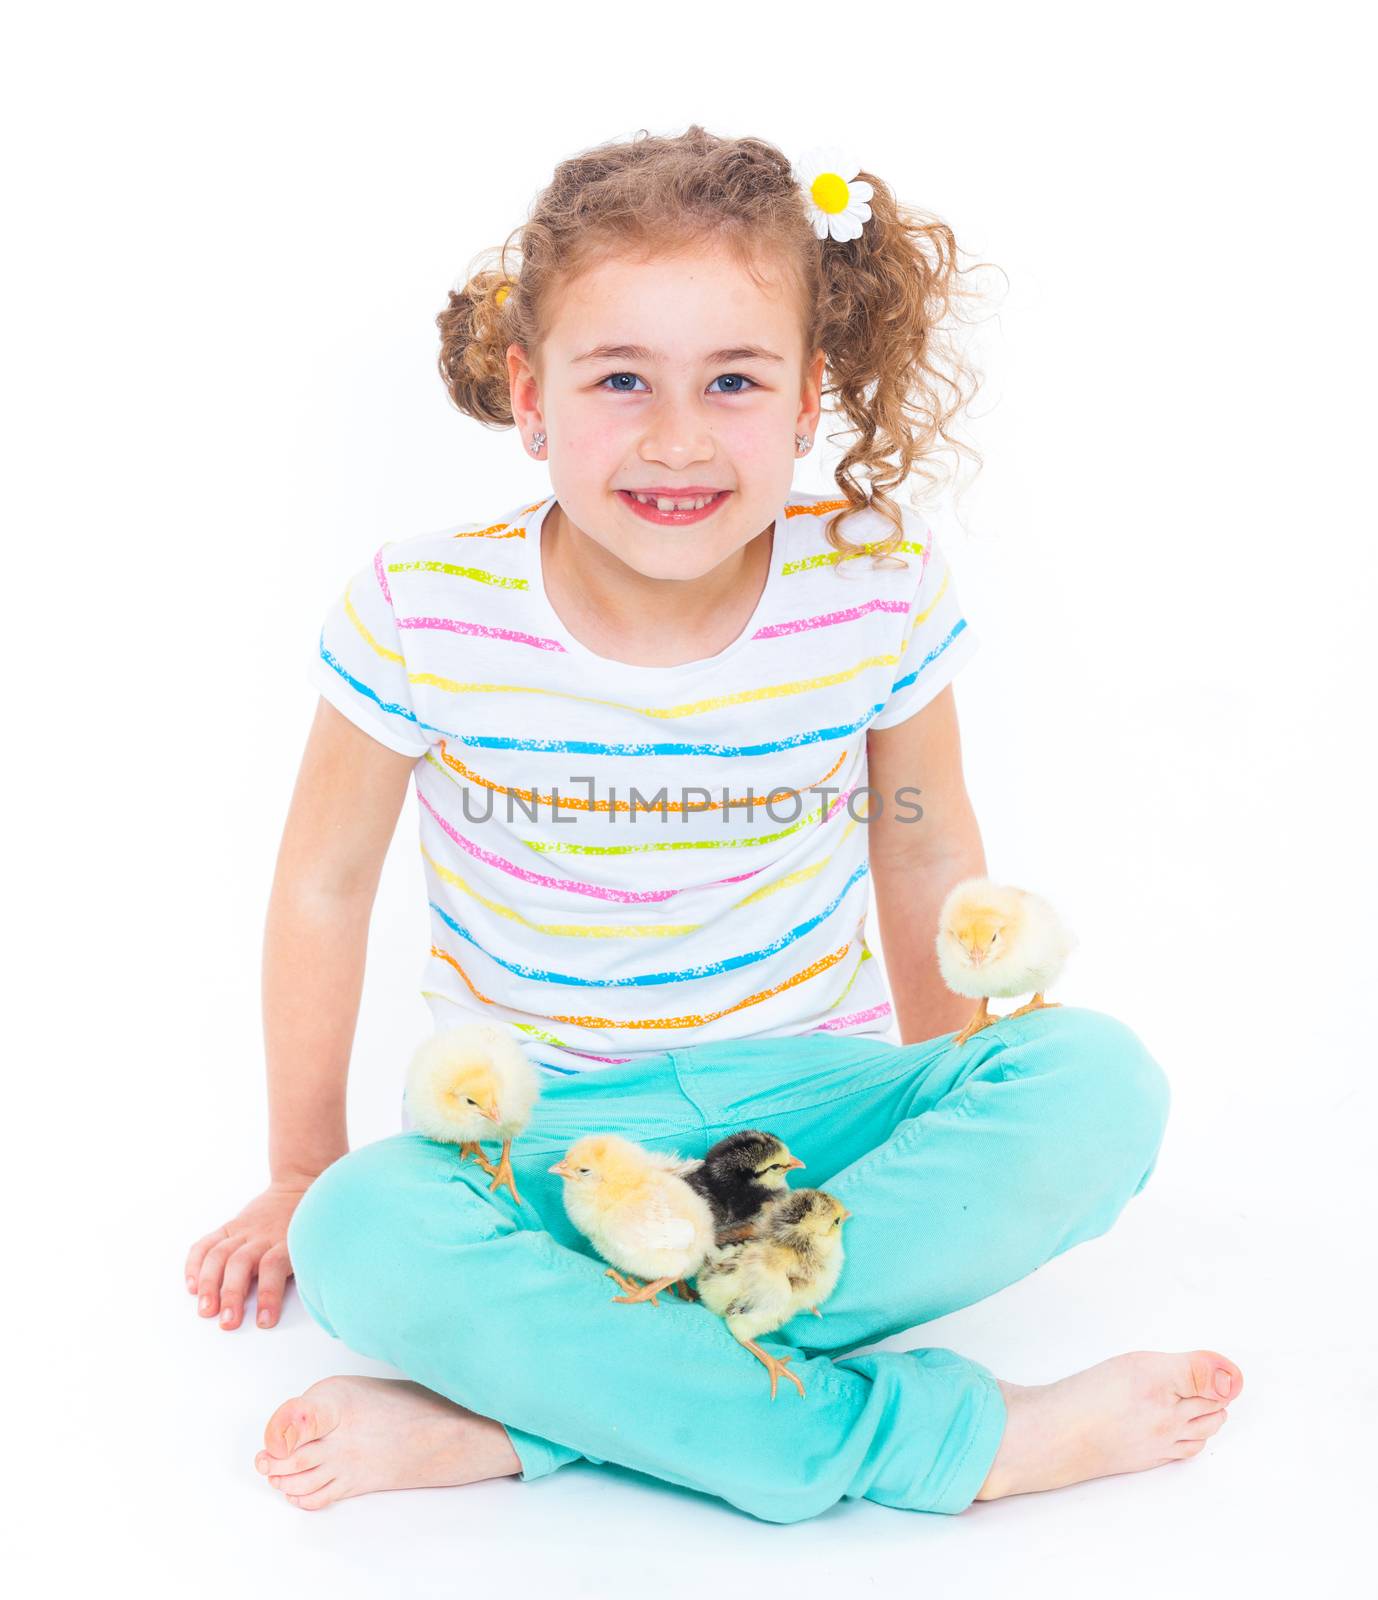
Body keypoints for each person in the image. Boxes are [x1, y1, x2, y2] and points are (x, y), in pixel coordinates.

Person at [184, 126, 1242, 1521]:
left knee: (1095, 1080)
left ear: (808, 400)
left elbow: (920, 838)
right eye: (620, 379)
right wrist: (299, 1172)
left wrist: (940, 1108)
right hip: (553, 1145)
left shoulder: (872, 586)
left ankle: (534, 1422)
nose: (675, 438)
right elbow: (323, 886)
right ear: (530, 397)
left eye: (731, 382)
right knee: (365, 1238)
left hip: (808, 1116)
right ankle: (931, 1440)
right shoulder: (422, 611)